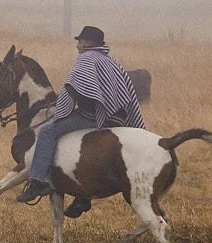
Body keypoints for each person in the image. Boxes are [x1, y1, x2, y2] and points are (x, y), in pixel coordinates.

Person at [15, 25, 145, 206]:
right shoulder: (111, 62)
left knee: (47, 131)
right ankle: (82, 199)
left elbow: (74, 90)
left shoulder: (86, 60)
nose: (78, 46)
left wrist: (61, 108)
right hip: (116, 118)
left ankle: (37, 182)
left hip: (93, 117)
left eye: (80, 42)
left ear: (88, 43)